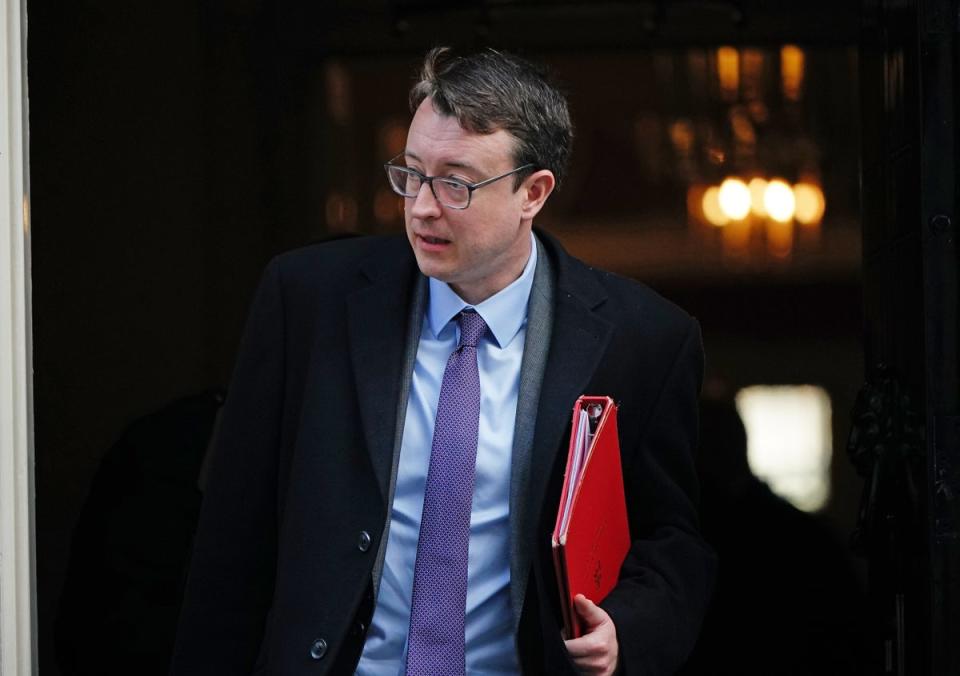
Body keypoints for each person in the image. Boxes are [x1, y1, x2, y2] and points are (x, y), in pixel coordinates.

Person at [171, 47, 714, 676]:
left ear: (532, 193)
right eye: (410, 173)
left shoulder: (642, 338)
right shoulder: (308, 302)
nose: (422, 206)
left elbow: (673, 542)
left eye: (455, 183)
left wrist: (629, 629)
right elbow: (232, 536)